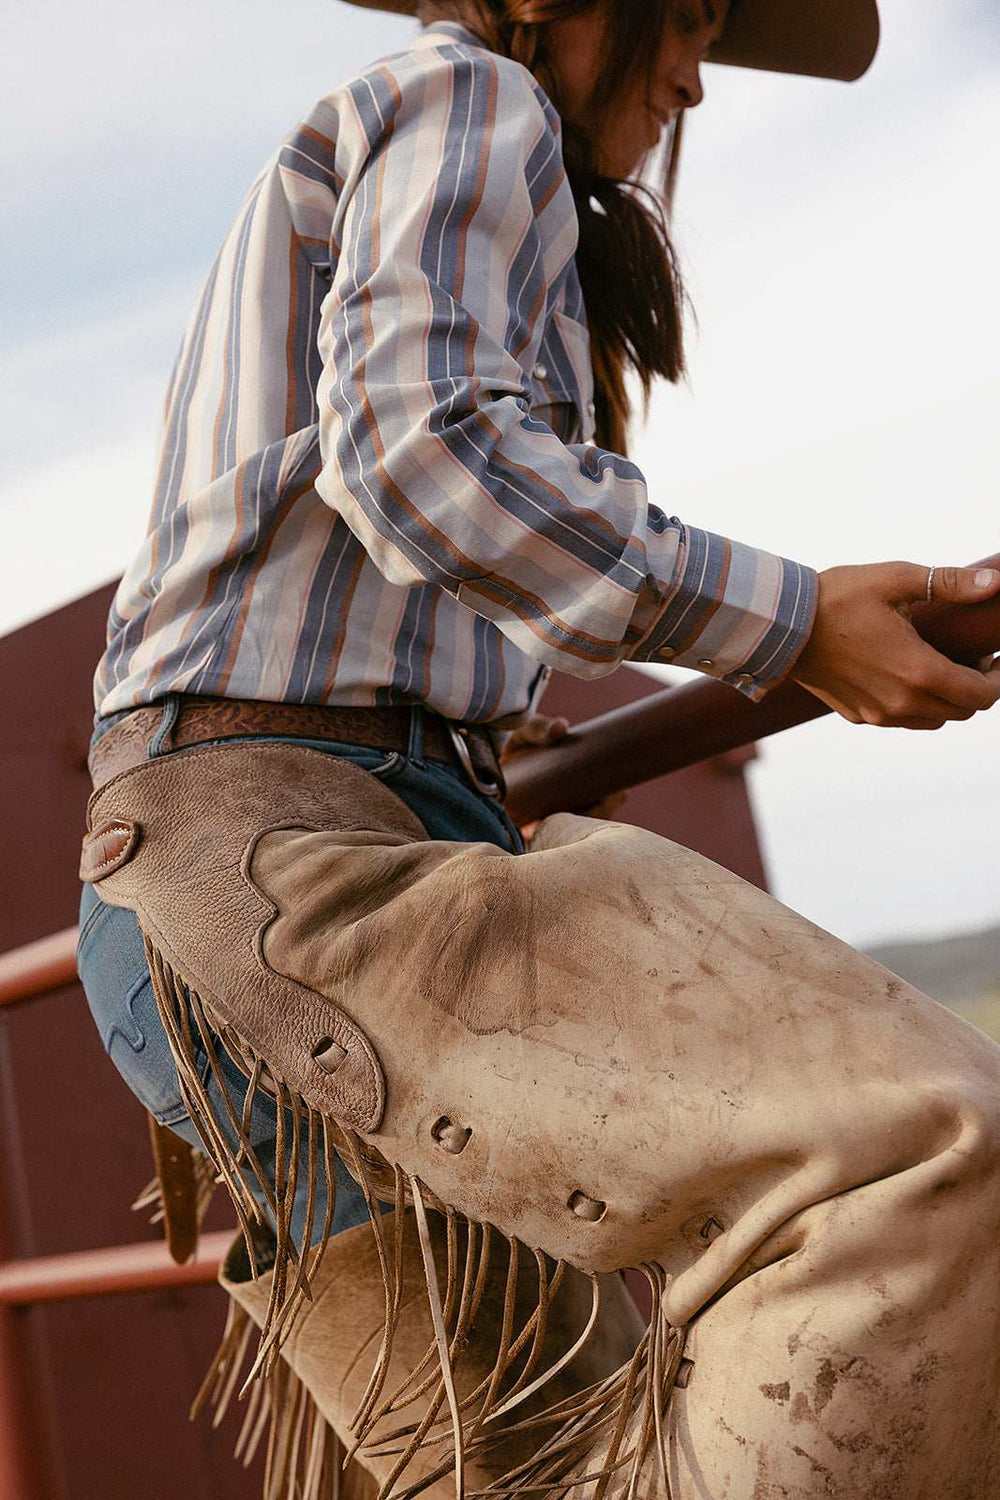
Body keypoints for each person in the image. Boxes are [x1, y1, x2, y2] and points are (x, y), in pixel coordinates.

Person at [77, 0, 1000, 1494]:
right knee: (928, 1146)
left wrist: (493, 729)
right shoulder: (472, 98)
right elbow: (422, 449)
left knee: (530, 1469)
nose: (698, 79)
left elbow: (377, 520)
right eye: (690, 17)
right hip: (293, 867)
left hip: (206, 890)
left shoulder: (397, 145)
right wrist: (793, 619)